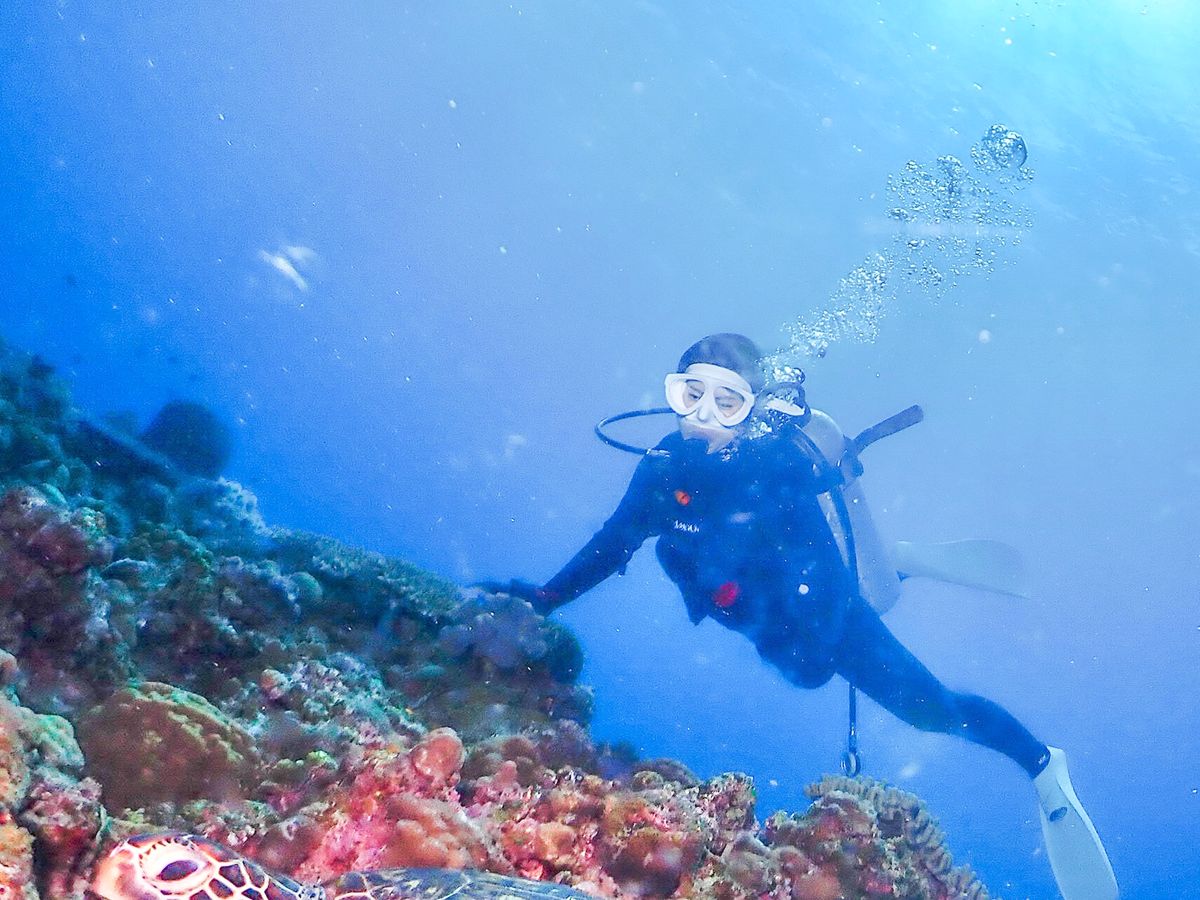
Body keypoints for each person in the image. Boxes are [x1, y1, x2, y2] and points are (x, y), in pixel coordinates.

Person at [497, 333, 1117, 900]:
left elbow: (819, 481)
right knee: (781, 654)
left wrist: (797, 443)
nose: (704, 416)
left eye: (727, 402)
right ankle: (885, 571)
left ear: (751, 410)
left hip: (830, 615)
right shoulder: (661, 470)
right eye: (691, 395)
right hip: (758, 617)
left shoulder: (774, 463)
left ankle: (1041, 764)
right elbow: (611, 544)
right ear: (672, 393)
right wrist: (545, 599)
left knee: (930, 710)